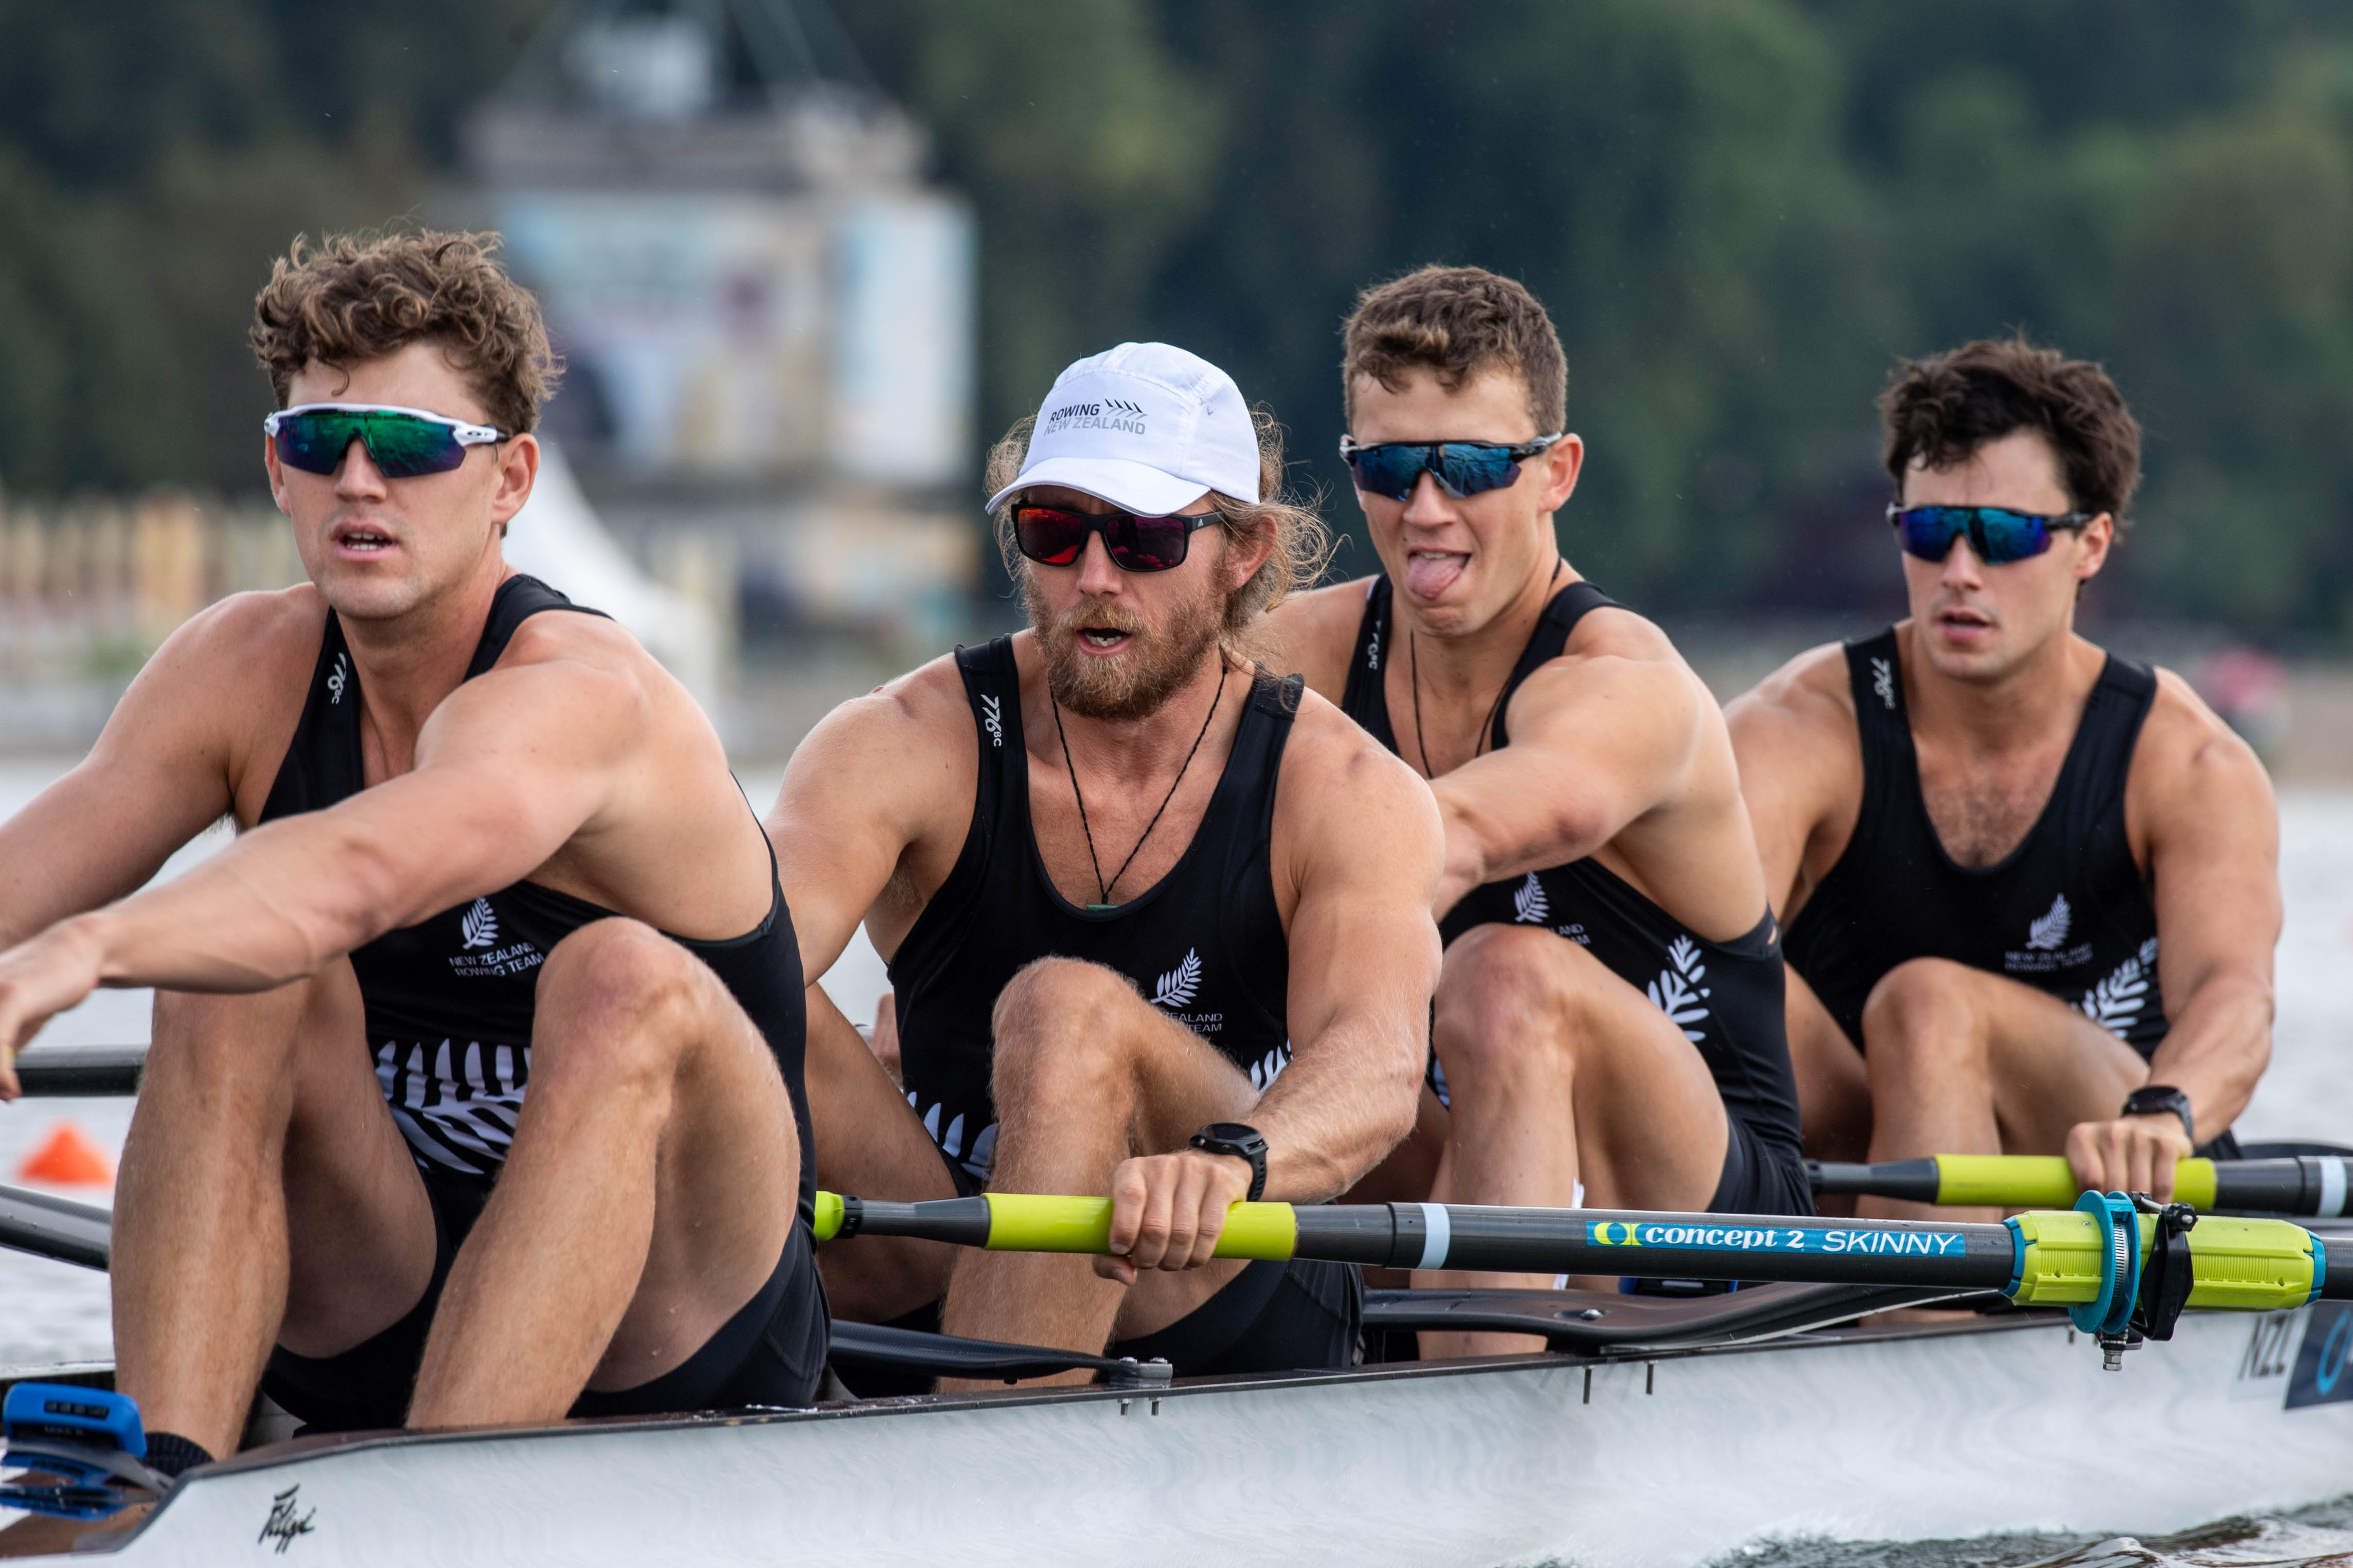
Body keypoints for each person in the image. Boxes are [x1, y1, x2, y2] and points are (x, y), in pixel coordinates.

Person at [0, 231, 827, 1472]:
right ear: (276, 472)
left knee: (617, 977)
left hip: (679, 1311)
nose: (357, 481)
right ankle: (160, 1481)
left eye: (408, 446)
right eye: (318, 443)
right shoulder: (237, 672)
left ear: (509, 480)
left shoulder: (582, 694)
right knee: (231, 968)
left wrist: (85, 954)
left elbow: (360, 873)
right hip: (383, 1277)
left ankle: (428, 1508)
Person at [768, 342, 1442, 1383]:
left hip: (1216, 1267)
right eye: (1053, 529)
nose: (1091, 577)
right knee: (723, 970)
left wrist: (1235, 1161)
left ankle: (982, 1446)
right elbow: (734, 958)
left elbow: (1376, 1063)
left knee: (1068, 1012)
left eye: (1142, 537)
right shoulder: (898, 742)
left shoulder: (1343, 787)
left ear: (1244, 552)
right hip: (950, 1242)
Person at [1264, 265, 1809, 1356]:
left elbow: (1454, 838)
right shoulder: (1299, 651)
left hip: (1705, 1219)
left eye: (1470, 466)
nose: (1425, 510)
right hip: (1465, 1144)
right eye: (1389, 468)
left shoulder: (1625, 687)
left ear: (1555, 472)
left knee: (1502, 976)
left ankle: (1473, 1408)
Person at [1727, 336, 2278, 1220]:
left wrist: (2164, 1112)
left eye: (2002, 536)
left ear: (2090, 544)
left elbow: (2232, 996)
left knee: (1928, 1002)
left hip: (2112, 1160)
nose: (1958, 572)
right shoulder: (1795, 729)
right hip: (1864, 1146)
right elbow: (1696, 963)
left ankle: (1907, 1298)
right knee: (1707, 948)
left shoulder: (2184, 761)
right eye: (1928, 531)